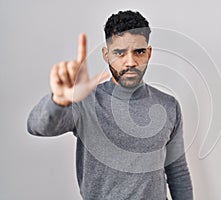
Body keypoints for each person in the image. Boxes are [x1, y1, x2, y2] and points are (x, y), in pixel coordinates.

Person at [27, 10, 193, 200]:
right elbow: (37, 127)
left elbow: (177, 172)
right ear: (106, 55)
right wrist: (59, 101)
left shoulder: (168, 105)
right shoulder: (86, 102)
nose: (130, 62)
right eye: (119, 53)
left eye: (138, 52)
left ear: (148, 54)